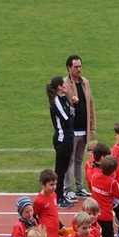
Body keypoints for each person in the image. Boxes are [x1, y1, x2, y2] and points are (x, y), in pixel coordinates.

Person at [62, 55, 96, 199]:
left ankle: (79, 187)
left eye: (80, 66)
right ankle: (67, 189)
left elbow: (90, 104)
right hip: (70, 130)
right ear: (68, 68)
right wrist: (71, 101)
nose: (78, 69)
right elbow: (60, 104)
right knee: (68, 161)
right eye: (75, 67)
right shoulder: (64, 84)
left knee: (78, 160)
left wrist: (92, 126)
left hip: (83, 129)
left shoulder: (85, 83)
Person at [46, 77, 76, 209]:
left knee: (63, 169)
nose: (66, 85)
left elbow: (71, 115)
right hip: (62, 139)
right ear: (59, 86)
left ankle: (60, 195)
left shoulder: (63, 99)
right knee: (60, 169)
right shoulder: (56, 101)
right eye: (64, 84)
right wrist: (71, 116)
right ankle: (57, 197)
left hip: (68, 137)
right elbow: (67, 119)